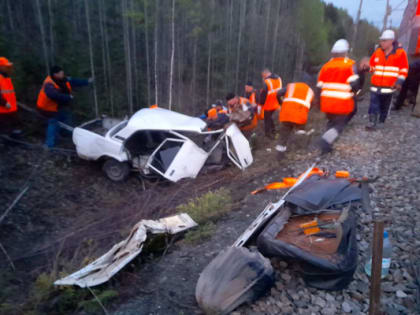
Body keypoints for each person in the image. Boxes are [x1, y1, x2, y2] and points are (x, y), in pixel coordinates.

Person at [316, 39, 360, 154]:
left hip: (327, 103)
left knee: (331, 122)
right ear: (346, 52)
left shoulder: (325, 66)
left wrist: (318, 102)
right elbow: (355, 85)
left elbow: (319, 87)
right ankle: (325, 141)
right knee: (339, 125)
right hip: (342, 103)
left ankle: (326, 148)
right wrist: (355, 94)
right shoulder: (350, 65)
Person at [37, 66, 92, 147]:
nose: (63, 74)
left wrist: (87, 81)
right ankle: (49, 144)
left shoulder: (63, 79)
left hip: (58, 106)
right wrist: (68, 97)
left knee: (66, 117)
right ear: (55, 74)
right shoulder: (49, 84)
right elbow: (53, 95)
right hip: (48, 108)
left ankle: (69, 135)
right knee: (53, 122)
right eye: (61, 73)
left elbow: (74, 81)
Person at [366, 29, 409, 130]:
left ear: (391, 41)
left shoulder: (400, 53)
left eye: (384, 41)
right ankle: (372, 121)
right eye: (381, 40)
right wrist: (368, 68)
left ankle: (381, 120)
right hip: (376, 86)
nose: (381, 42)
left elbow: (404, 69)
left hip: (389, 87)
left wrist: (399, 82)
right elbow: (373, 68)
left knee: (385, 105)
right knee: (373, 103)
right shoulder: (377, 52)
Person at [275, 82, 314, 153]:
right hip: (300, 116)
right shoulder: (311, 91)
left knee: (283, 136)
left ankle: (280, 156)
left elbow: (278, 93)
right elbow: (311, 105)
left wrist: (281, 103)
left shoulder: (292, 86)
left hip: (286, 114)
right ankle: (298, 151)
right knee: (300, 133)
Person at [260, 69, 282, 139]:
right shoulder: (279, 78)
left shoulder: (267, 81)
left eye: (263, 76)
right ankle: (274, 132)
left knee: (267, 119)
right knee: (270, 118)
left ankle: (268, 135)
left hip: (269, 103)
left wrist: (261, 103)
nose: (263, 78)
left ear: (266, 74)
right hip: (277, 102)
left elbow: (264, 94)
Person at [0, 57, 19, 135]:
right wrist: (4, 103)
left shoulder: (6, 77)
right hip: (3, 111)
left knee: (10, 130)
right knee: (5, 131)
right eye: (6, 66)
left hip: (10, 110)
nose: (8, 68)